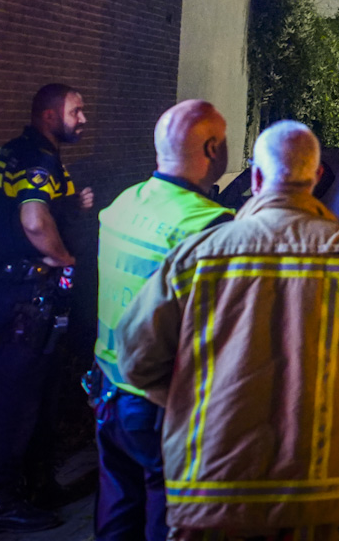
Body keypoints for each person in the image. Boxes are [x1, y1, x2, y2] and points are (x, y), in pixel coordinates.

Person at [116, 121, 339, 541]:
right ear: (316, 176)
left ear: (255, 177)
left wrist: (186, 400)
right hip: (318, 483)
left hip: (210, 483)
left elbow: (135, 357)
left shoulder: (197, 256)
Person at [91, 100, 235, 541]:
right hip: (164, 407)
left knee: (116, 521)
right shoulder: (209, 227)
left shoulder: (124, 203)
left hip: (109, 393)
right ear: (212, 148)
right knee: (169, 525)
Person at [0, 82, 96, 533]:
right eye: (76, 111)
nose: (83, 119)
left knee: (39, 397)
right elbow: (31, 218)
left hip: (15, 291)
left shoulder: (17, 152)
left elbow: (28, 207)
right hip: (25, 296)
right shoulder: (39, 159)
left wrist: (68, 206)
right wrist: (64, 258)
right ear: (49, 115)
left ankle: (38, 485)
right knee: (17, 403)